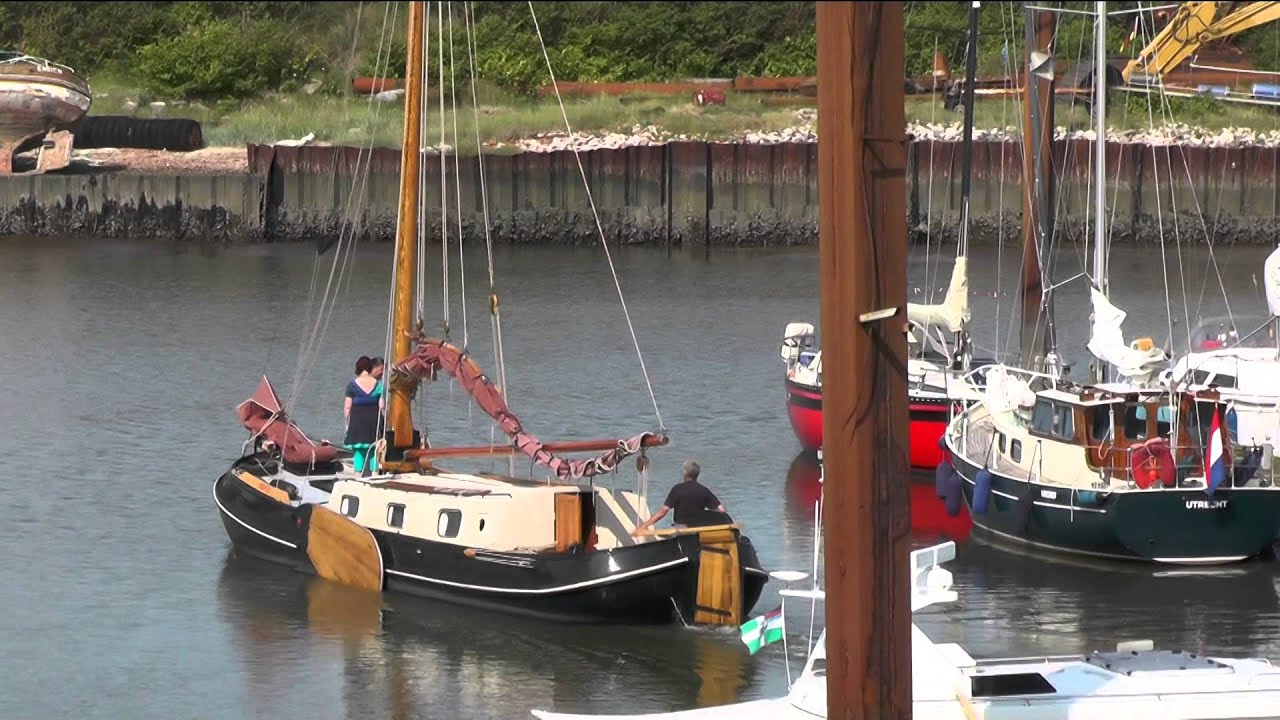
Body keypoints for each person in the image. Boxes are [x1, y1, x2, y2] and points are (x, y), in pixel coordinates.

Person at [631, 460, 726, 536]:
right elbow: (721, 510)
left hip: (681, 530)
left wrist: (643, 527)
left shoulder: (677, 489)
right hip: (698, 530)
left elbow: (662, 512)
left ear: (685, 473)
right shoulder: (704, 490)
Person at [344, 355, 383, 474]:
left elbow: (347, 408)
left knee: (359, 451)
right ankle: (375, 475)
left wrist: (347, 425)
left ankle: (358, 476)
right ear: (370, 368)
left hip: (357, 423)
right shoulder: (379, 385)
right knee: (374, 450)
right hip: (374, 422)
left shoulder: (352, 385)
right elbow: (382, 406)